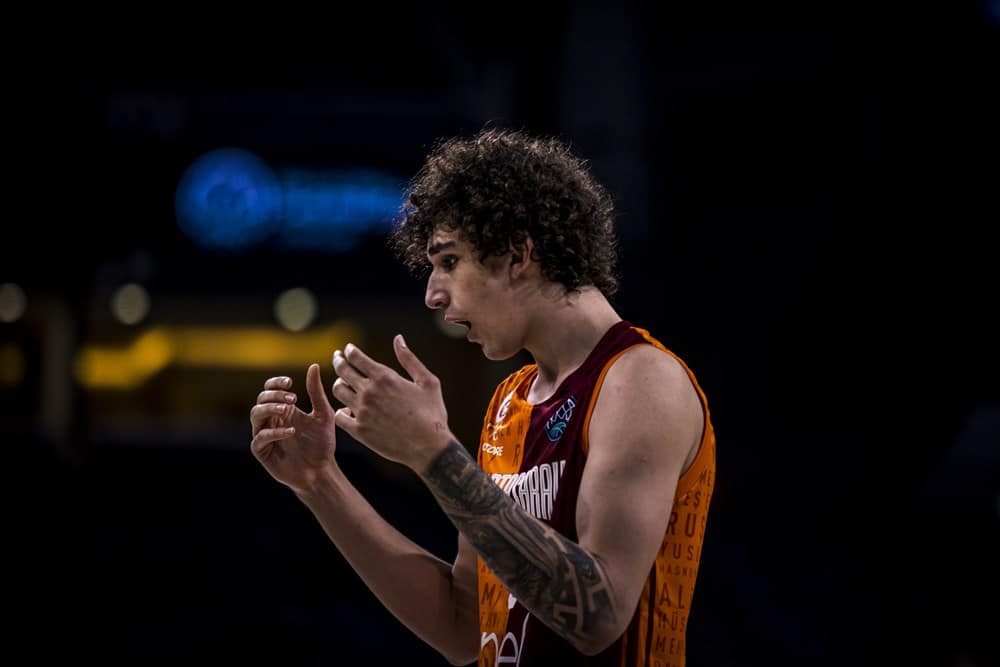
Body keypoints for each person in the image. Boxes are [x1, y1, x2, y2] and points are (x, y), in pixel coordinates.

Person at [249, 128, 716, 666]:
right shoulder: (510, 402)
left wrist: (432, 453)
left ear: (518, 253)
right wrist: (320, 483)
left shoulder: (640, 381)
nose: (432, 293)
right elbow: (462, 625)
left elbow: (597, 616)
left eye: (449, 261)